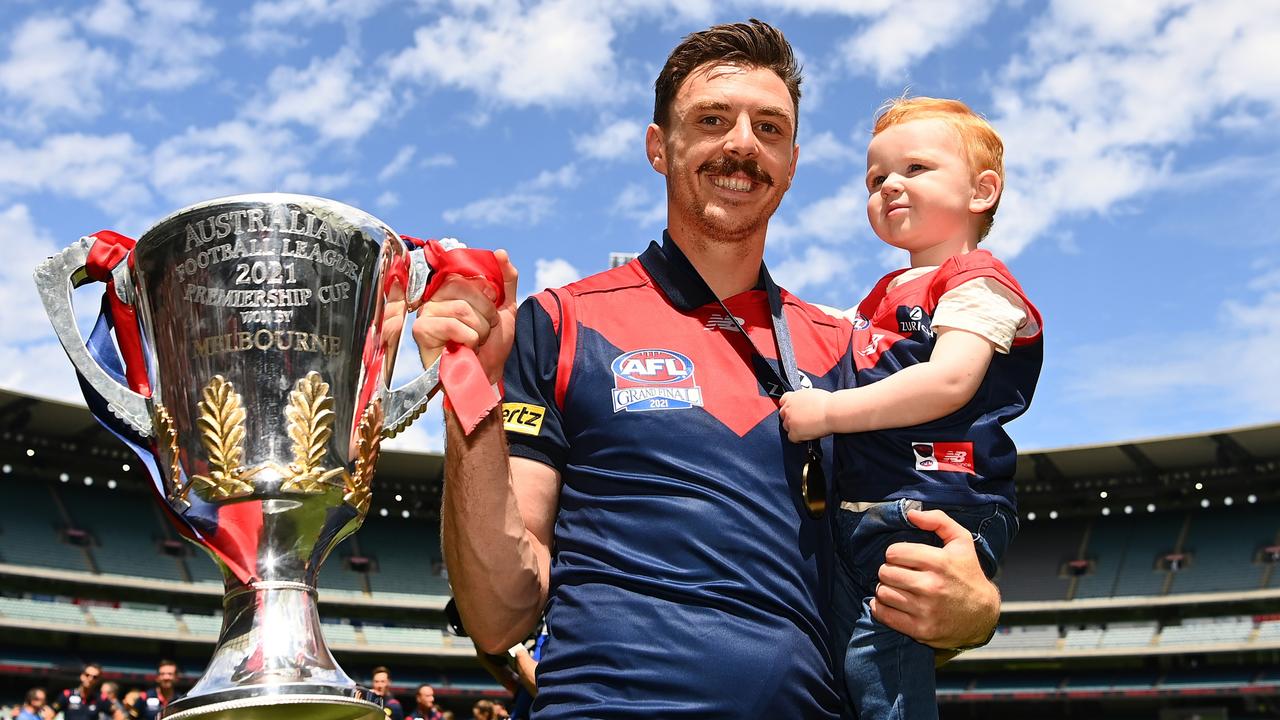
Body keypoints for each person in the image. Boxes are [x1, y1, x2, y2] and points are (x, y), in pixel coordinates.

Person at [414, 19, 1002, 719]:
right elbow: (500, 615)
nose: (743, 143)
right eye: (713, 119)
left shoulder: (848, 349)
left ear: (791, 162)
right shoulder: (561, 324)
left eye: (770, 128)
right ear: (660, 147)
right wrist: (468, 392)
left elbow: (916, 530)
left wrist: (975, 606)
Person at [779, 97, 1042, 718]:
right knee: (842, 660)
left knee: (879, 664)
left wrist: (828, 412)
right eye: (876, 179)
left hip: (936, 500)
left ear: (982, 191)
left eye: (916, 169)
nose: (890, 185)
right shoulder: (883, 296)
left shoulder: (977, 281)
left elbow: (949, 380)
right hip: (869, 505)